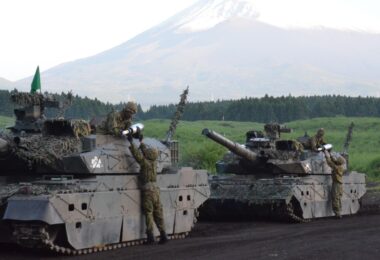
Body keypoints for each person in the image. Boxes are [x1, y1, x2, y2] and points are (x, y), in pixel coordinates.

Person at [128, 134, 168, 244]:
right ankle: (163, 234)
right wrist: (141, 142)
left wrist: (131, 142)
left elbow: (137, 155)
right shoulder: (154, 162)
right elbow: (146, 152)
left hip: (147, 190)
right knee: (158, 212)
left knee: (149, 213)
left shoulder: (144, 163)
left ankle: (150, 236)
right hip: (155, 189)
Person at [324, 150, 345, 219]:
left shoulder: (338, 168)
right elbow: (334, 161)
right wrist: (330, 154)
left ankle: (337, 213)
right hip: (338, 183)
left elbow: (330, 163)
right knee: (337, 198)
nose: (336, 160)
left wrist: (327, 156)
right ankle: (339, 212)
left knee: (335, 198)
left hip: (337, 184)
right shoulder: (340, 166)